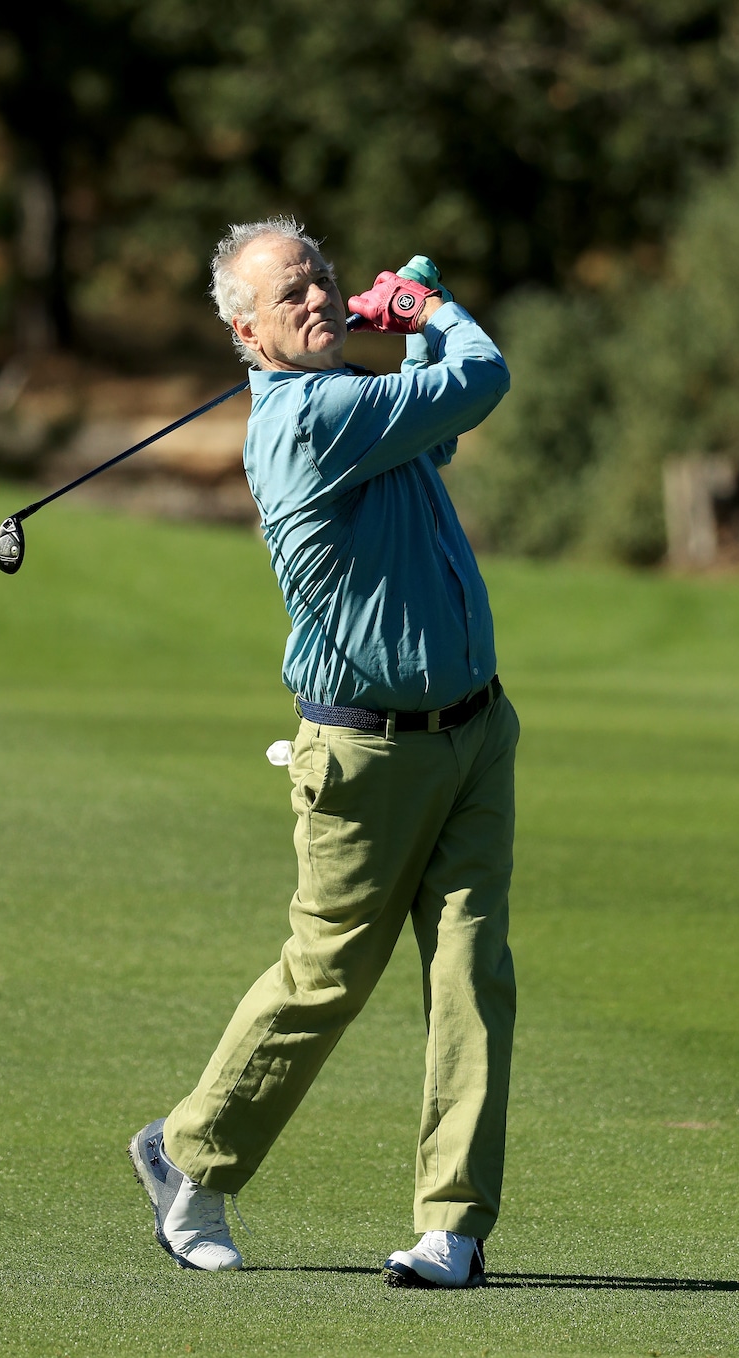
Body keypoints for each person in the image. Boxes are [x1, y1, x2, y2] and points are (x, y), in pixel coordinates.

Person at [129, 216, 518, 1290]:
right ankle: (189, 1158)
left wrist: (409, 328)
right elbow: (479, 380)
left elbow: (435, 426)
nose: (315, 299)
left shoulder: (357, 407)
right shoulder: (309, 420)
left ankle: (453, 1226)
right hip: (365, 755)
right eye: (288, 294)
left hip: (475, 731)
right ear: (248, 333)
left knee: (472, 976)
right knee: (328, 974)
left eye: (323, 282)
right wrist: (430, 314)